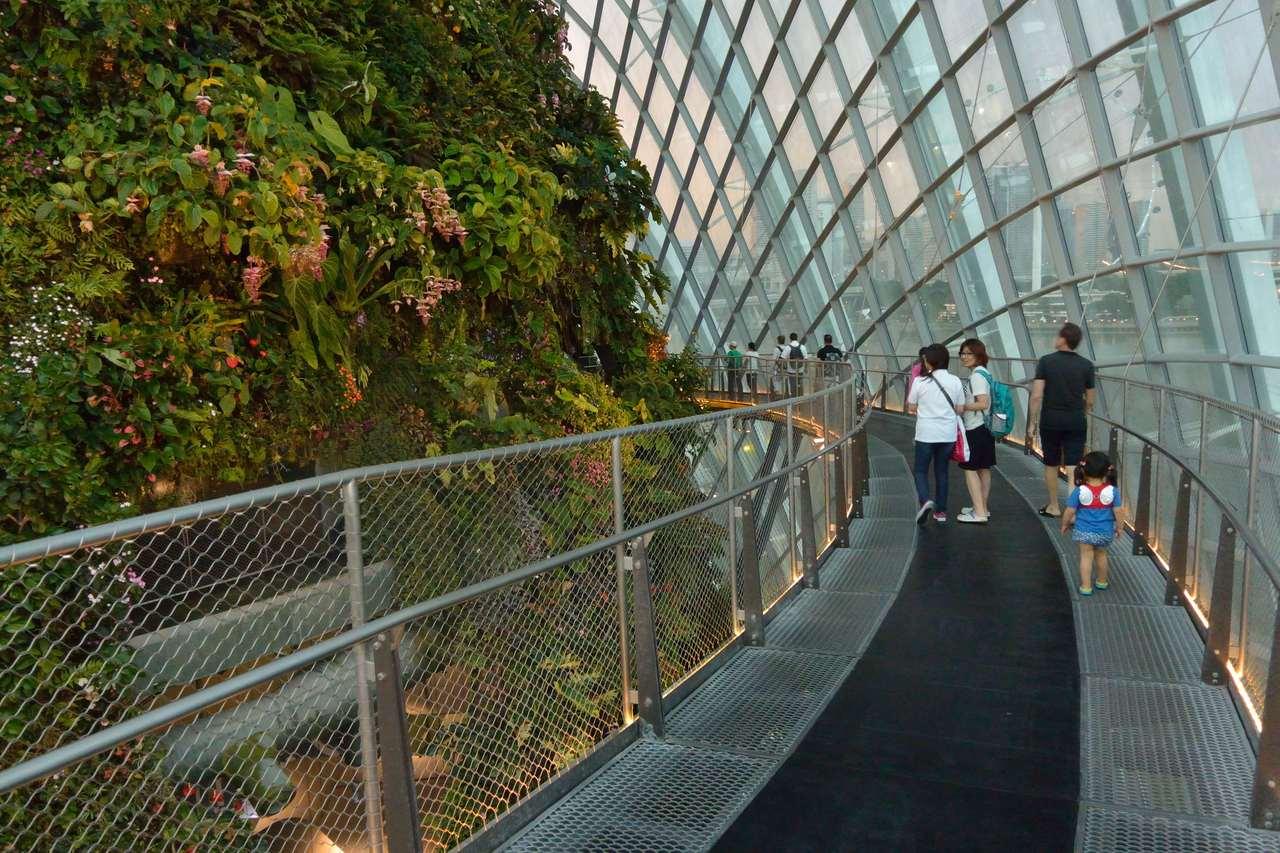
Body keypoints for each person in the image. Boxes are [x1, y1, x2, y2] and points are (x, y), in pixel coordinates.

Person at [1029, 322, 1096, 518]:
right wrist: (1082, 412)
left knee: (1051, 463)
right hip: (1075, 420)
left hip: (1051, 420)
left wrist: (1032, 423)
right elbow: (1090, 400)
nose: (1055, 339)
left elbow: (1036, 396)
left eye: (1058, 335)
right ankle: (1072, 512)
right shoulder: (1086, 365)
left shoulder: (1046, 362)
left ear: (1063, 339)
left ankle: (1053, 506)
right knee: (1073, 466)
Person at [906, 343, 964, 525]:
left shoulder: (920, 382)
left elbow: (911, 407)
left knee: (921, 470)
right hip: (947, 434)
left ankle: (925, 501)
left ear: (930, 361)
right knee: (942, 471)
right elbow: (960, 408)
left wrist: (924, 407)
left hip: (926, 433)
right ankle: (941, 512)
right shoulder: (955, 381)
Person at [1060, 451, 1127, 595]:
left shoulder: (1079, 491)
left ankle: (1086, 586)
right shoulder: (1113, 491)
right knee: (1101, 555)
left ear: (1083, 470)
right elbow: (1119, 511)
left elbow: (1069, 511)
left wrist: (1065, 524)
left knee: (1086, 557)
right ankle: (1102, 581)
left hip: (1084, 532)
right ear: (1107, 471)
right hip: (1105, 532)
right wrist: (1119, 527)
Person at [955, 339, 996, 524]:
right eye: (962, 353)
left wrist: (962, 407)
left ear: (979, 355)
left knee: (970, 469)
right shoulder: (985, 373)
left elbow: (982, 403)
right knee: (983, 468)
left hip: (976, 427)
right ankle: (982, 507)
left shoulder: (977, 377)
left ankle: (979, 513)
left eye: (969, 353)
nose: (964, 357)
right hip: (985, 427)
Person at [784, 332, 807, 397]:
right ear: (797, 338)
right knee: (800, 386)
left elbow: (782, 358)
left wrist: (784, 367)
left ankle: (794, 399)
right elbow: (806, 359)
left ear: (790, 339)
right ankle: (800, 399)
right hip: (800, 370)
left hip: (791, 370)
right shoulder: (802, 347)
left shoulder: (788, 347)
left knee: (792, 387)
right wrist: (805, 368)